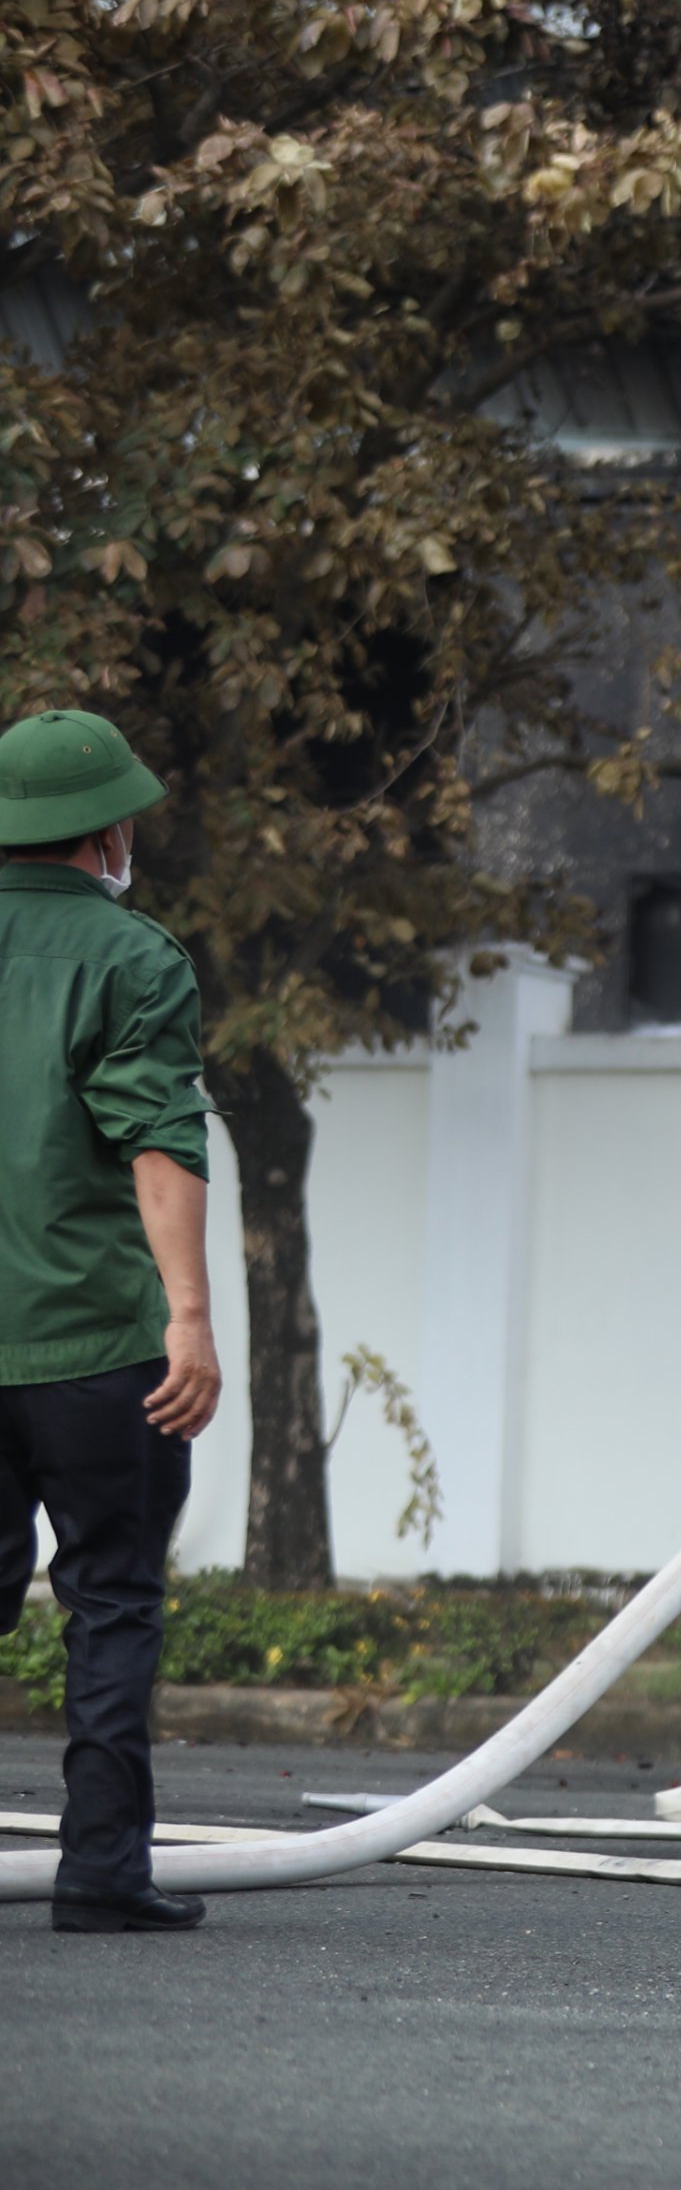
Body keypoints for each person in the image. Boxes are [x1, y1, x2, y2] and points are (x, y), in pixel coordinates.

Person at [0, 710, 224, 1935]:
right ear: (108, 830)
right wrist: (190, 1317)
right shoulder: (136, 958)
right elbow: (160, 1138)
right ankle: (98, 1872)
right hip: (97, 1348)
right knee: (113, 1600)